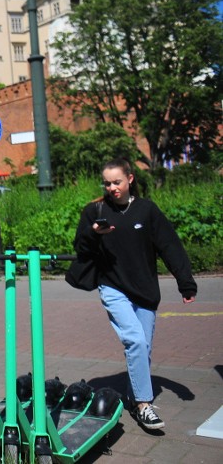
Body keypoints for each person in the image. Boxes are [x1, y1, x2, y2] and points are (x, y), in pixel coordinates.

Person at [70, 158, 196, 431]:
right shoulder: (95, 211)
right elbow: (80, 248)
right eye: (107, 183)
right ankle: (143, 405)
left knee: (144, 349)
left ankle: (133, 395)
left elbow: (170, 246)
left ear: (130, 179)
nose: (112, 187)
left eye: (117, 181)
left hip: (145, 291)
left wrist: (185, 283)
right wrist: (93, 235)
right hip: (113, 287)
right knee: (136, 342)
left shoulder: (146, 210)